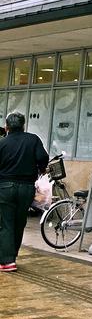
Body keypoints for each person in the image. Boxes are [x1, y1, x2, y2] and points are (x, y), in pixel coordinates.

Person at [0, 112, 48, 272]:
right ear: (23, 125)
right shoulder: (33, 139)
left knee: (6, 223)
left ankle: (7, 261)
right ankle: (12, 256)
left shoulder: (2, 143)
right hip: (27, 188)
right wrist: (39, 169)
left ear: (6, 127)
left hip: (5, 187)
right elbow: (43, 157)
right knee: (19, 223)